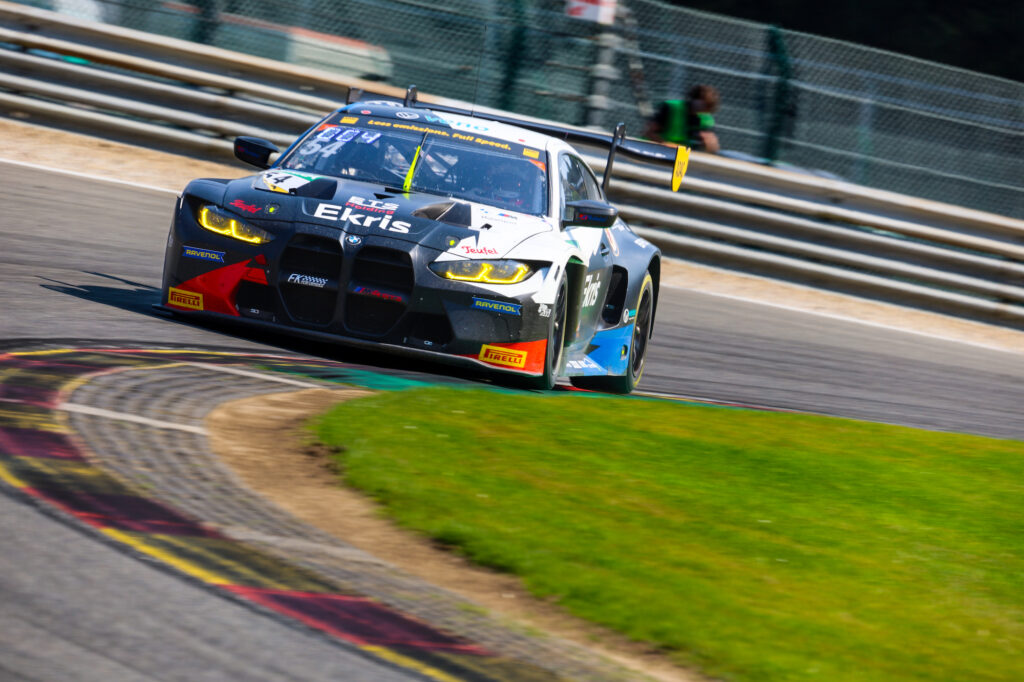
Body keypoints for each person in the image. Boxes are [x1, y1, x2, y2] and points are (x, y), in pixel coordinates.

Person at [644, 84, 721, 153]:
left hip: (681, 156)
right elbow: (649, 133)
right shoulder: (672, 108)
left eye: (707, 106)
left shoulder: (706, 119)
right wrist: (667, 145)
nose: (702, 109)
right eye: (703, 103)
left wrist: (710, 144)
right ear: (694, 98)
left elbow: (712, 147)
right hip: (652, 150)